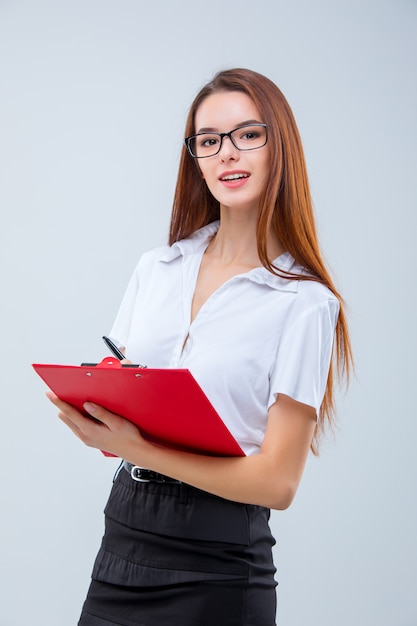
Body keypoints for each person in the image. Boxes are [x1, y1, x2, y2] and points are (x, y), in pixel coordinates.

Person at [47, 67, 352, 625]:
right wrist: (101, 410)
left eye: (247, 135)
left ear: (278, 145)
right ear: (195, 158)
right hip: (124, 538)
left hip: (219, 561)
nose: (227, 154)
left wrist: (135, 447)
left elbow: (278, 483)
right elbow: (125, 423)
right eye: (208, 141)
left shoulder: (304, 302)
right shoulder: (157, 269)